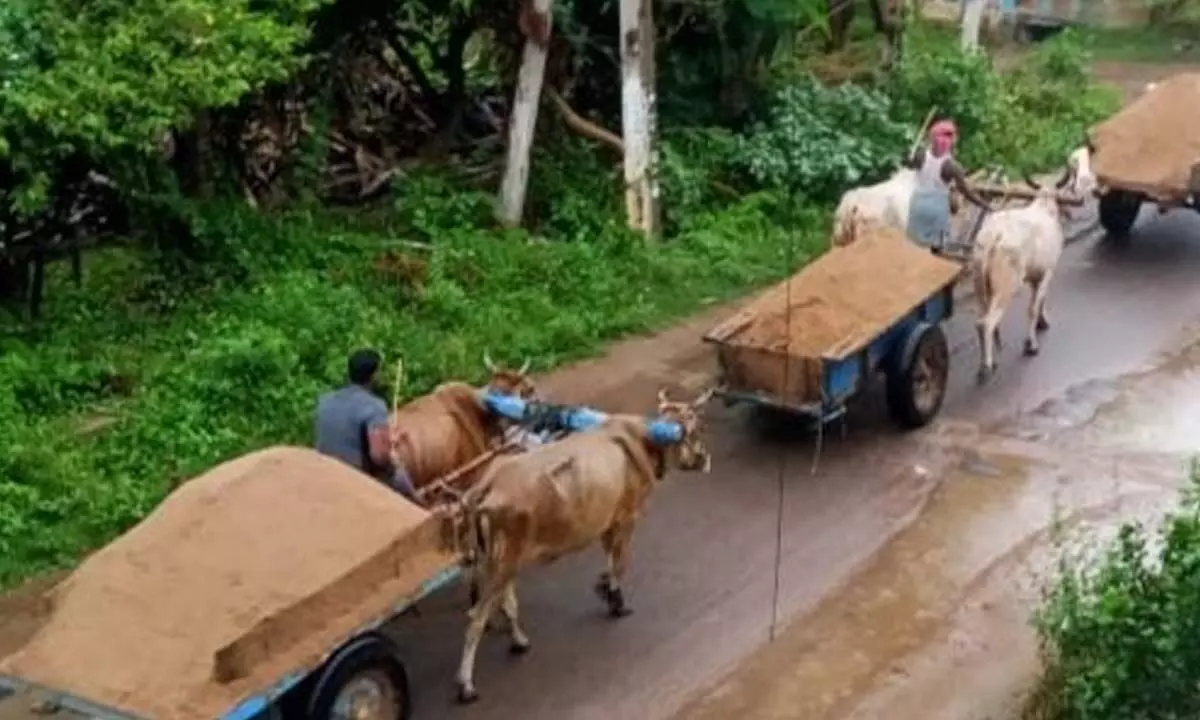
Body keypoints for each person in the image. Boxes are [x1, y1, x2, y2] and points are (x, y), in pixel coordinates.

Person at [314, 348, 422, 506]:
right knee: (399, 475)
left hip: (324, 469)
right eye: (380, 371)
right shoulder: (374, 406)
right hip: (354, 477)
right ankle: (420, 509)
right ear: (374, 376)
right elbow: (379, 456)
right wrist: (390, 449)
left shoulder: (325, 401)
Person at [904, 118, 993, 254]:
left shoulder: (920, 156)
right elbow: (966, 192)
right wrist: (984, 205)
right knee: (935, 250)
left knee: (914, 246)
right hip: (936, 208)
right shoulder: (952, 166)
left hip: (918, 203)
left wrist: (909, 159)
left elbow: (909, 165)